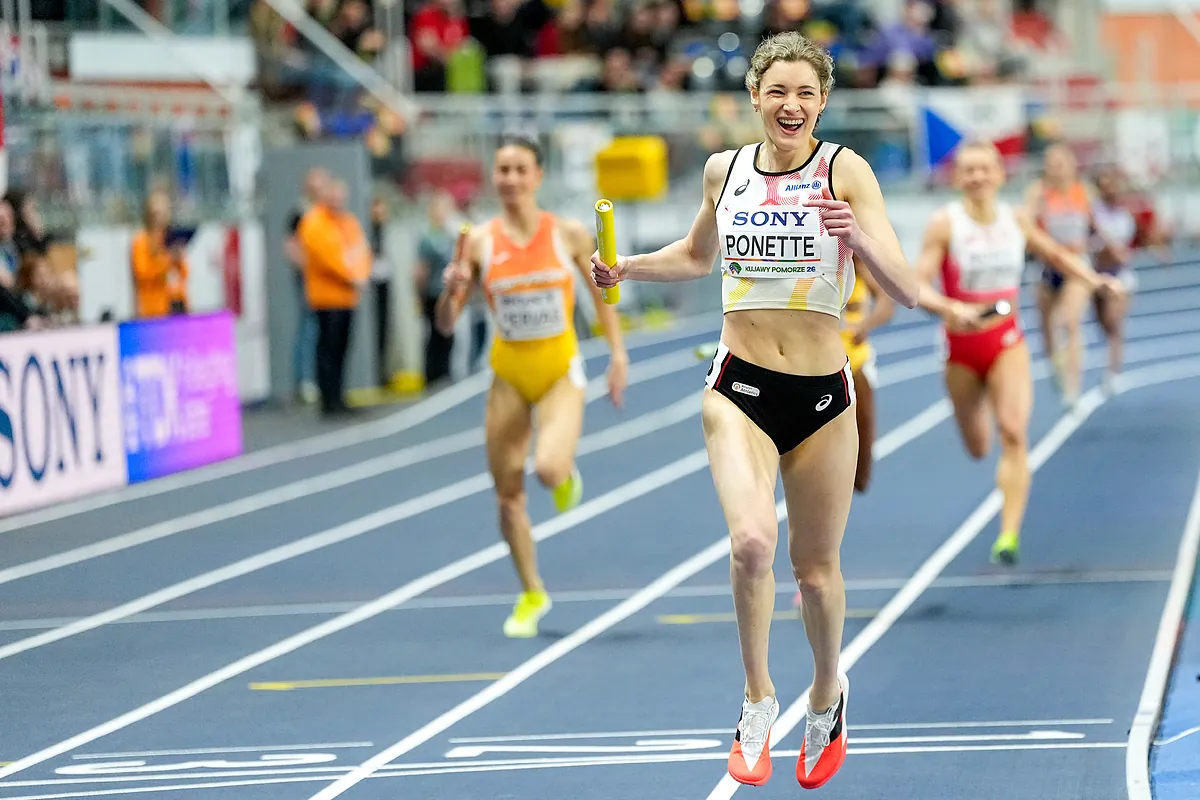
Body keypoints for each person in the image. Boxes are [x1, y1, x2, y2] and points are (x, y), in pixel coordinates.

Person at [592, 31, 920, 790]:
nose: (791, 105)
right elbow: (696, 257)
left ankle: (827, 693)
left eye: (805, 93)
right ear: (754, 97)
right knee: (750, 544)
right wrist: (628, 267)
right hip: (738, 386)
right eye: (778, 91)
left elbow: (903, 287)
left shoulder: (848, 172)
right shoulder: (725, 170)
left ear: (824, 102)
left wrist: (860, 239)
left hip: (822, 397)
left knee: (817, 572)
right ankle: (756, 696)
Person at [437, 134, 628, 639]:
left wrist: (618, 354)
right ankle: (531, 591)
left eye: (521, 169)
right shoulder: (478, 241)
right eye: (503, 169)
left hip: (558, 371)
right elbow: (446, 323)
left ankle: (563, 474)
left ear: (538, 176)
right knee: (507, 498)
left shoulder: (566, 234)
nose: (511, 179)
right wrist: (453, 289)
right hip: (508, 376)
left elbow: (603, 293)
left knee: (546, 468)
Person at [912, 140, 1124, 567]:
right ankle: (981, 412)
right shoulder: (944, 225)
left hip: (1006, 341)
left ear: (999, 174)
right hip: (959, 348)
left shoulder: (1017, 220)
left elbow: (1057, 255)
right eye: (968, 171)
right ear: (957, 178)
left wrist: (1096, 280)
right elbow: (917, 284)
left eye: (984, 169)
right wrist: (951, 309)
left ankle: (1008, 533)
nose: (977, 177)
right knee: (978, 445)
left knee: (1013, 432)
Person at [297, 177, 373, 417]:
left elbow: (361, 250)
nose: (338, 202)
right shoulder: (314, 222)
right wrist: (353, 276)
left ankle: (339, 395)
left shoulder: (348, 222)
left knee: (342, 349)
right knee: (327, 349)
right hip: (326, 297)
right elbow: (328, 258)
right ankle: (328, 400)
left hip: (347, 297)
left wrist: (361, 273)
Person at [1027, 143, 1093, 407]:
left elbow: (1098, 225)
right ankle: (1056, 363)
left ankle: (1073, 388)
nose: (1056, 168)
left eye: (1061, 163)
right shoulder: (1037, 193)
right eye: (1051, 163)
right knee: (1047, 330)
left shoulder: (1084, 192)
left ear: (1072, 165)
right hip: (1046, 267)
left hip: (1076, 265)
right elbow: (1025, 227)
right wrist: (1036, 211)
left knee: (1070, 322)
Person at [1088, 164, 1138, 395]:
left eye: (1112, 184)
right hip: (1097, 277)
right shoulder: (1092, 212)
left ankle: (1113, 372)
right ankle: (1112, 358)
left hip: (1120, 278)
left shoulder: (1124, 215)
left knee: (1114, 321)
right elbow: (1097, 243)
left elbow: (1126, 249)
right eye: (1104, 185)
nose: (1109, 189)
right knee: (1104, 324)